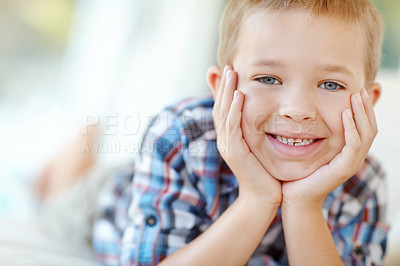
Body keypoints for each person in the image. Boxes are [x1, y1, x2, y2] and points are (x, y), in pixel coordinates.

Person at [92, 0, 389, 265]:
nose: (297, 110)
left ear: (369, 101)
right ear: (222, 87)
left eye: (330, 85)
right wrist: (257, 199)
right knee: (68, 196)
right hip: (120, 201)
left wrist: (304, 205)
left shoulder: (363, 183)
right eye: (268, 78)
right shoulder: (179, 137)